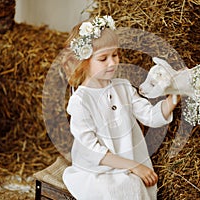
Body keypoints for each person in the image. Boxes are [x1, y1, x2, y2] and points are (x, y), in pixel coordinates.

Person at [62, 15, 178, 200]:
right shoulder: (80, 101)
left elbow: (149, 116)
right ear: (84, 62)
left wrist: (172, 101)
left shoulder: (123, 87)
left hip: (131, 161)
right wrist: (134, 167)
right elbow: (93, 151)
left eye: (115, 55)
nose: (112, 63)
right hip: (98, 168)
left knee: (134, 185)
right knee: (123, 188)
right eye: (103, 58)